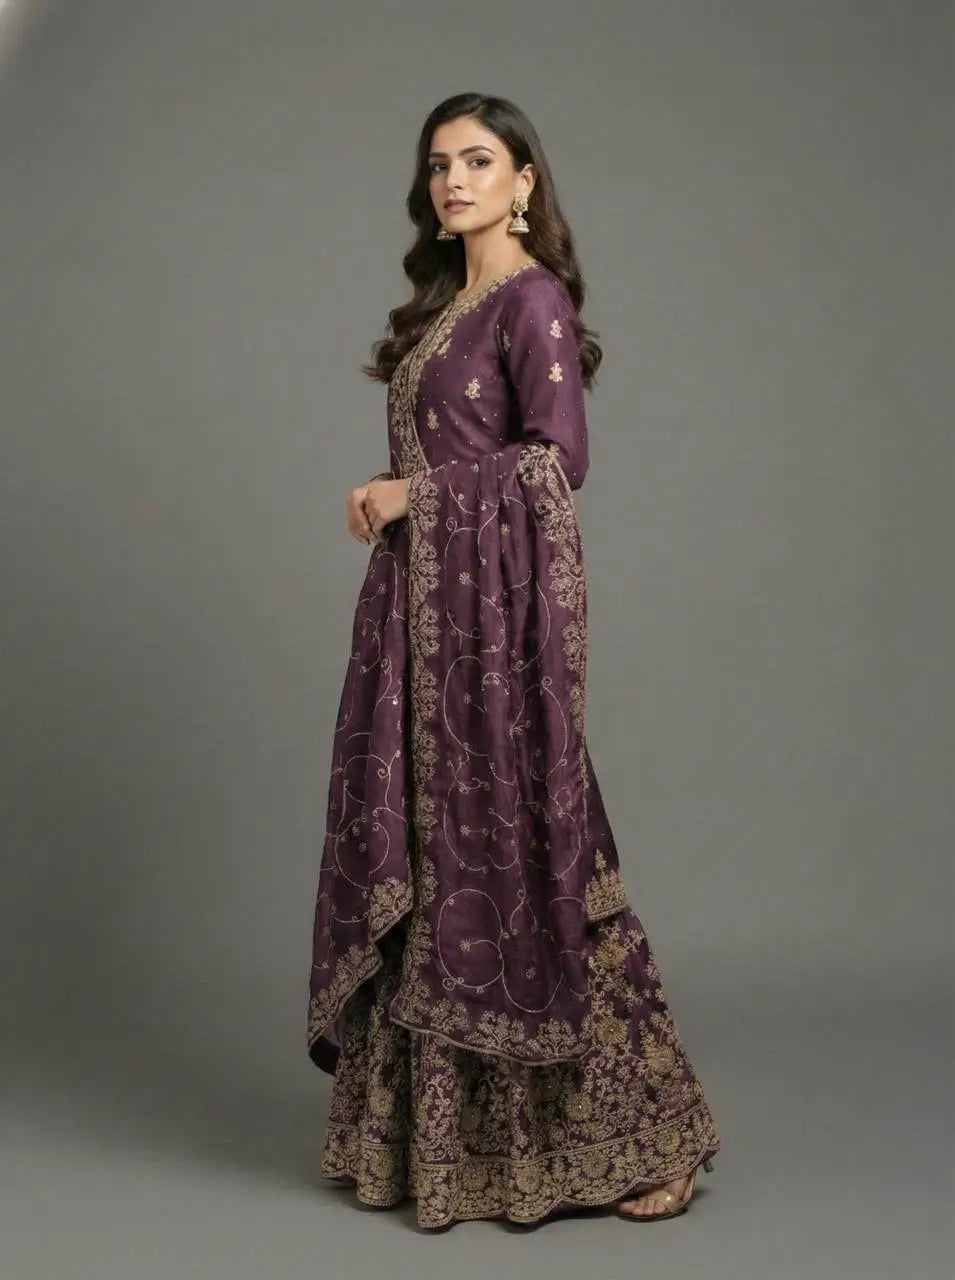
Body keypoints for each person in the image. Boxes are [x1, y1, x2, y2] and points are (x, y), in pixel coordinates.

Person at [307, 92, 722, 1231]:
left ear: (525, 180)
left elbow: (555, 462)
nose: (454, 180)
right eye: (439, 163)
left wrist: (414, 494)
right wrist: (399, 500)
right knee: (430, 854)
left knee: (531, 852)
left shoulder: (531, 299)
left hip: (491, 641)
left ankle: (654, 1134)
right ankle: (441, 1149)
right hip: (422, 625)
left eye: (479, 160)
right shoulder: (450, 307)